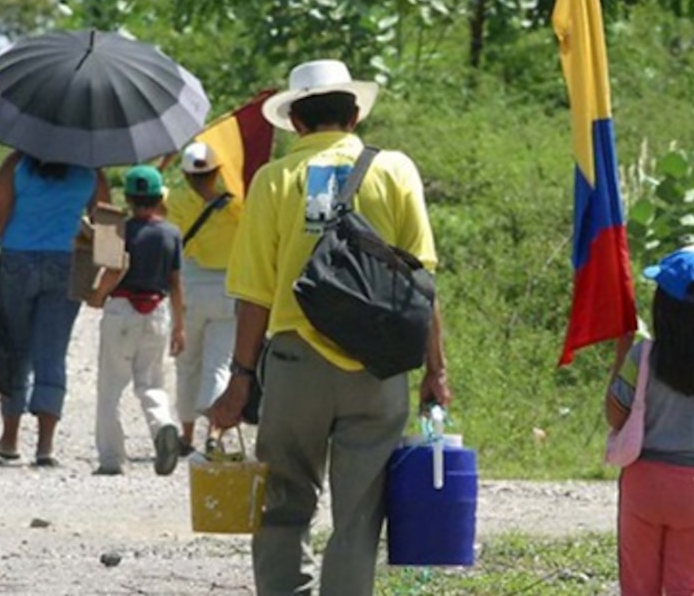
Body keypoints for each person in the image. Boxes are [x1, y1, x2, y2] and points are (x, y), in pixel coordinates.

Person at [209, 59, 452, 596]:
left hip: (296, 366)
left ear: (294, 121)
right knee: (360, 513)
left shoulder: (273, 181)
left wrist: (241, 377)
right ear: (355, 114)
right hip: (378, 364)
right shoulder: (395, 170)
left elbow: (254, 294)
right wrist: (436, 370)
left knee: (283, 501)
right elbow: (423, 282)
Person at [605, 245, 694, 596]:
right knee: (688, 586)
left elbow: (615, 415)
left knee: (638, 587)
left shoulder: (642, 355)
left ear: (663, 307)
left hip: (644, 482)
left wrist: (621, 355)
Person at [0, 152, 109, 467]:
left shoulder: (15, 164)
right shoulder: (91, 169)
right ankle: (45, 447)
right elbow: (106, 221)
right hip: (67, 263)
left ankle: (10, 439)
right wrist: (103, 280)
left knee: (16, 349)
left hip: (17, 260)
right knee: (53, 351)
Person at [87, 165, 185, 476]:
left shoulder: (117, 230)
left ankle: (112, 459)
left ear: (128, 198)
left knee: (111, 386)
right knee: (151, 382)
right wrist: (179, 326)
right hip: (157, 311)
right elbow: (176, 283)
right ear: (159, 198)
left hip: (121, 309)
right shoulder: (171, 233)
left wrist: (98, 295)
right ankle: (164, 425)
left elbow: (114, 271)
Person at [165, 141, 242, 455]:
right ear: (218, 171)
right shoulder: (238, 205)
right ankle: (215, 433)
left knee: (187, 365)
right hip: (228, 288)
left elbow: (145, 190)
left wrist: (163, 161)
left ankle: (186, 435)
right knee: (219, 365)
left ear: (184, 174)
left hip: (190, 286)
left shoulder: (174, 200)